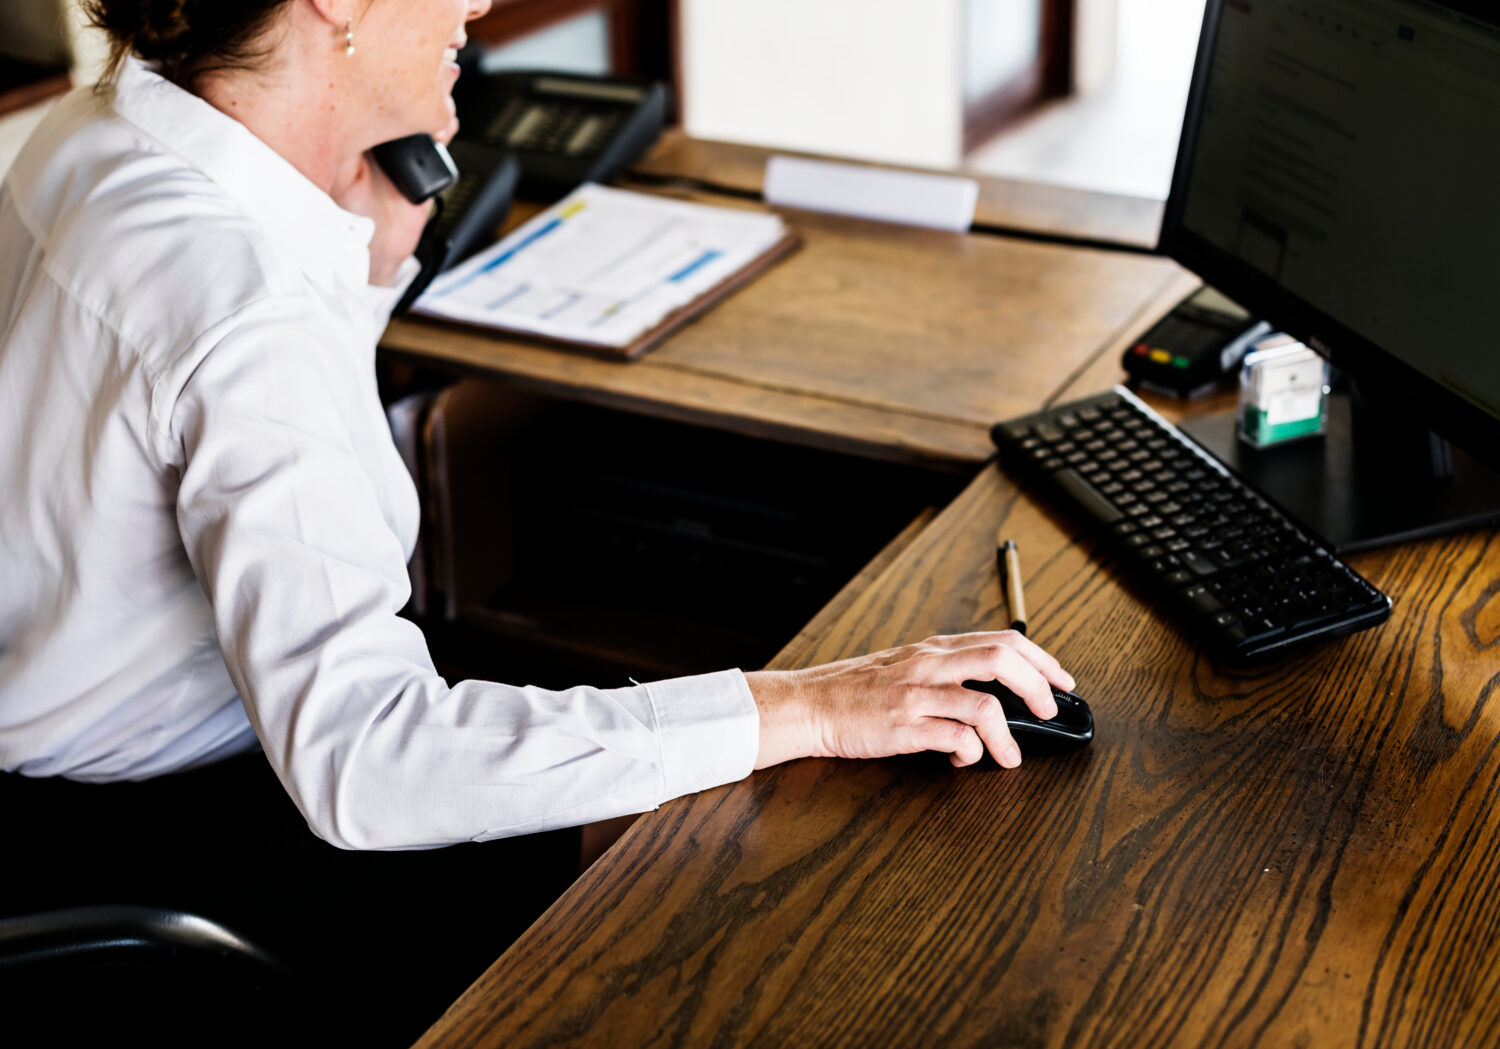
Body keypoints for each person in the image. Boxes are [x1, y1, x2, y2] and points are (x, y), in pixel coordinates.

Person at [0, 0, 1076, 1041]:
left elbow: (208, 439)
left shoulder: (99, 131)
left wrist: (370, 269)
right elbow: (366, 762)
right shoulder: (243, 298)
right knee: (719, 887)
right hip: (177, 841)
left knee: (636, 744)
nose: (479, 4)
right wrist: (808, 704)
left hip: (69, 778)